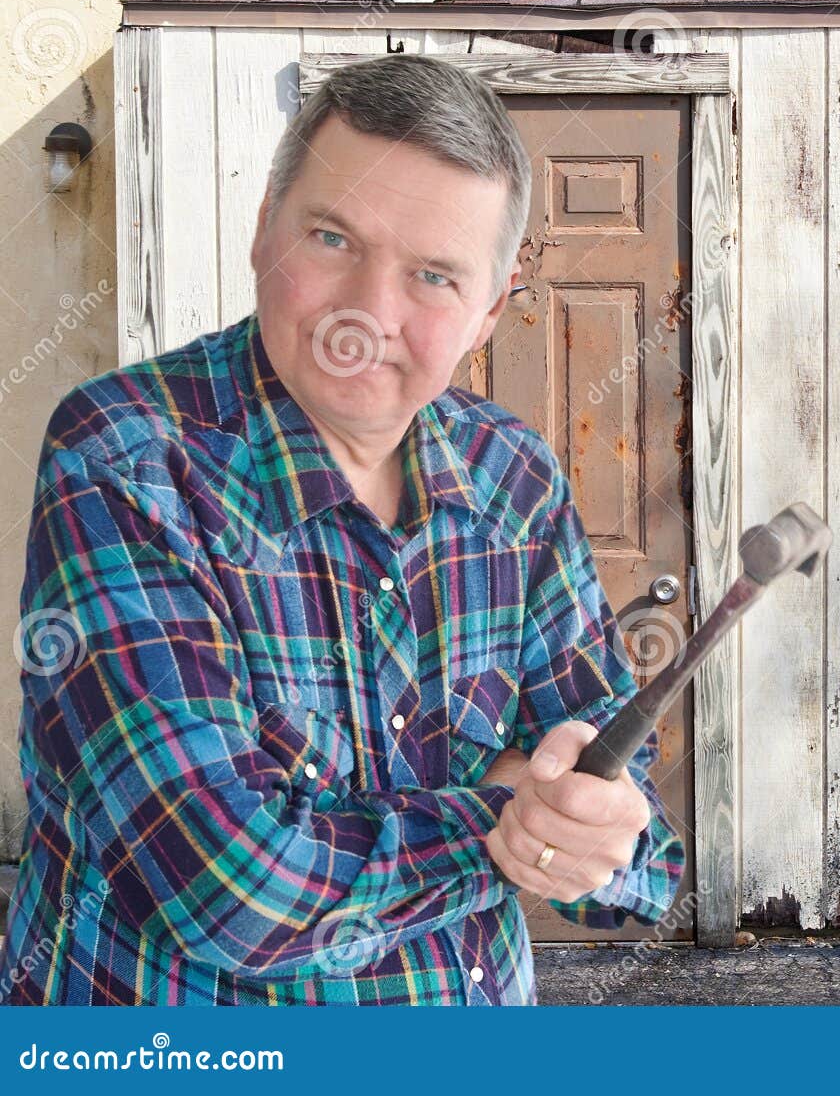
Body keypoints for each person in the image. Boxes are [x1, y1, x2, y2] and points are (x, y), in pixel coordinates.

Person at [0, 54, 683, 1004]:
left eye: (435, 275)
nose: (367, 315)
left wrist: (600, 828)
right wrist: (506, 818)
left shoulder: (513, 476)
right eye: (330, 237)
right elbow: (224, 888)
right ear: (262, 227)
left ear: (490, 306)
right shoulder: (126, 457)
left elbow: (620, 803)